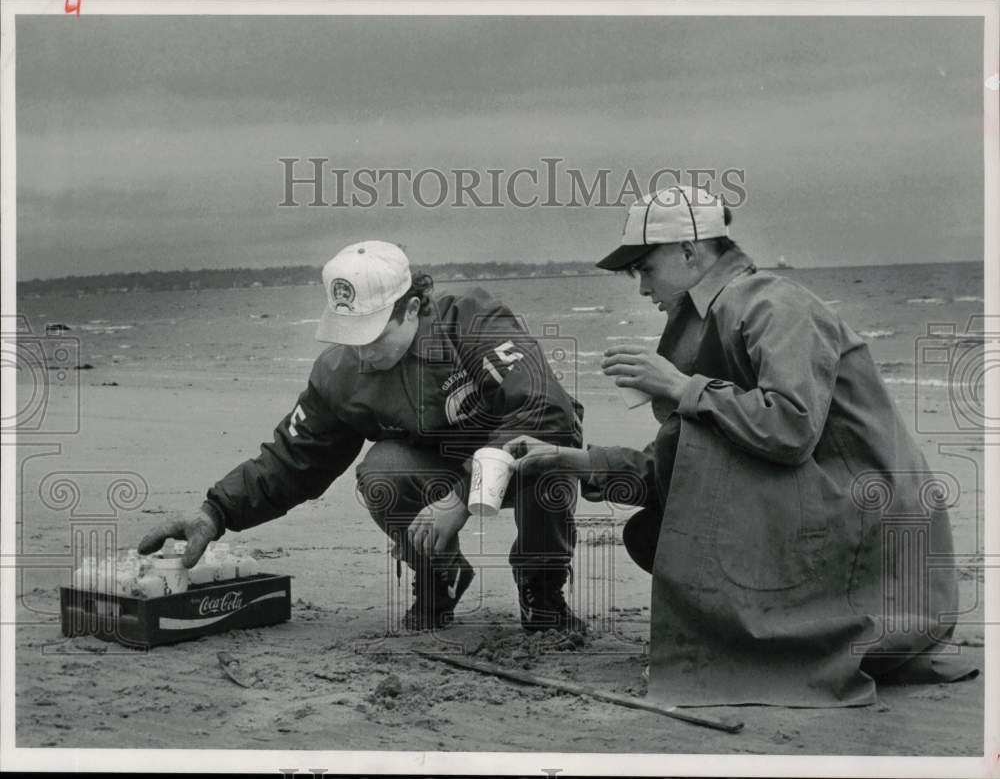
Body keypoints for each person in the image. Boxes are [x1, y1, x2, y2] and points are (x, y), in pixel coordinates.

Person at [505, 185, 974, 706]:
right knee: (654, 527)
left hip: (875, 536)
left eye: (645, 267)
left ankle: (800, 641)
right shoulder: (722, 314)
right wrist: (572, 461)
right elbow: (684, 462)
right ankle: (779, 638)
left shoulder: (775, 304)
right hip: (833, 521)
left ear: (690, 251)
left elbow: (790, 429)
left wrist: (684, 389)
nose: (641, 288)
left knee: (677, 494)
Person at [139, 240, 586, 633]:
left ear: (412, 308)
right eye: (348, 335)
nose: (361, 351)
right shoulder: (339, 373)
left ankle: (541, 592)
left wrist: (460, 498)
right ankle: (440, 573)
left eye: (372, 336)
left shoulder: (471, 320)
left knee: (546, 462)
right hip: (437, 465)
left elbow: (545, 409)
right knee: (380, 471)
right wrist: (215, 512)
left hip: (521, 454)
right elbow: (293, 459)